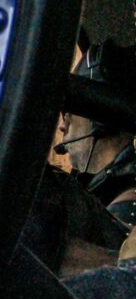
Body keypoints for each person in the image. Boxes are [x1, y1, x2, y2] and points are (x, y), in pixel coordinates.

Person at [58, 42, 136, 227]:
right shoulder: (101, 198)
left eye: (69, 113)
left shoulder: (126, 205)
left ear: (100, 120)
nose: (63, 125)